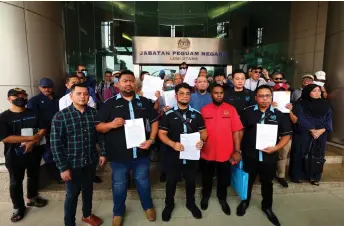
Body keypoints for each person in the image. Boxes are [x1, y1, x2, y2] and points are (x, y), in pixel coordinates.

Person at [95, 70, 159, 226]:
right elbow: (98, 127)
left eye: (131, 80)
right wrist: (111, 124)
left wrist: (151, 139)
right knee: (119, 184)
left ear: (135, 83)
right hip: (119, 155)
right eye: (125, 81)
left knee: (143, 182)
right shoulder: (109, 103)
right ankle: (118, 212)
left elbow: (154, 121)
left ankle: (148, 207)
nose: (129, 83)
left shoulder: (144, 102)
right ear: (118, 84)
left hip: (141, 152)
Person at [236, 85, 292, 226]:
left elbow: (286, 136)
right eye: (261, 96)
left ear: (272, 97)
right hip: (250, 155)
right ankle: (245, 201)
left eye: (267, 96)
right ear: (256, 98)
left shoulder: (279, 115)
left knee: (267, 182)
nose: (265, 99)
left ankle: (267, 207)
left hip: (269, 156)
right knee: (247, 181)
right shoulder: (247, 112)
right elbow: (240, 132)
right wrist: (237, 149)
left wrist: (276, 148)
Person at [50, 83, 105, 226]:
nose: (83, 97)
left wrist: (103, 153)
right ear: (71, 96)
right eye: (79, 94)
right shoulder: (61, 116)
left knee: (88, 190)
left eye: (86, 94)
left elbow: (100, 136)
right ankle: (69, 222)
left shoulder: (94, 114)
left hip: (90, 160)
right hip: (71, 164)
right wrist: (62, 167)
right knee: (72, 194)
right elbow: (55, 144)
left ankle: (87, 215)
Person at [158, 83, 207, 222]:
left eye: (187, 93)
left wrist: (202, 141)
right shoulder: (168, 114)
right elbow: (162, 134)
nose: (185, 96)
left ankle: (190, 203)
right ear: (176, 96)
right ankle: (169, 205)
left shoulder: (197, 115)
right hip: (173, 155)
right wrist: (173, 144)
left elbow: (204, 132)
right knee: (171, 181)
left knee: (191, 181)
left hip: (192, 155)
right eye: (182, 93)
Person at [0, 88, 48, 222]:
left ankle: (32, 197)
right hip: (14, 155)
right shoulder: (4, 117)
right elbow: (5, 138)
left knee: (33, 176)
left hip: (34, 152)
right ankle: (18, 208)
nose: (21, 98)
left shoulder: (34, 113)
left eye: (23, 95)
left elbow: (43, 128)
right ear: (9, 99)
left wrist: (36, 137)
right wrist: (30, 139)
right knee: (16, 182)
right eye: (17, 96)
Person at [200, 84, 243, 215]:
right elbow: (199, 131)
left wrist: (237, 150)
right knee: (206, 177)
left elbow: (237, 131)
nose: (219, 95)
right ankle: (205, 196)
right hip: (207, 152)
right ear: (211, 94)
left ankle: (222, 198)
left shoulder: (231, 109)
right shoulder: (204, 110)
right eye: (215, 93)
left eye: (221, 93)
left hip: (226, 152)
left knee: (224, 178)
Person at [289, 84, 332, 186]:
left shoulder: (326, 104)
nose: (317, 93)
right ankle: (298, 175)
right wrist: (312, 129)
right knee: (300, 153)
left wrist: (322, 130)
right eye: (314, 91)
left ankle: (315, 176)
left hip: (321, 134)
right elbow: (300, 118)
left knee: (317, 155)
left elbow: (329, 118)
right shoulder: (300, 104)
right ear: (308, 92)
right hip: (304, 133)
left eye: (319, 91)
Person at [27, 78, 61, 182]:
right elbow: (32, 118)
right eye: (44, 87)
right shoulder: (34, 100)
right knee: (48, 154)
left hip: (58, 131)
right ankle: (57, 177)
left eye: (49, 87)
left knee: (59, 152)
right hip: (43, 132)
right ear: (40, 87)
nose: (46, 89)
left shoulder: (58, 98)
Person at [270, 72, 293, 188]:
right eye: (277, 92)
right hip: (271, 133)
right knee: (270, 154)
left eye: (282, 91)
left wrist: (291, 110)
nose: (280, 93)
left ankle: (281, 175)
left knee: (283, 156)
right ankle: (269, 174)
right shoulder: (268, 103)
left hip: (286, 133)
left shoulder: (291, 104)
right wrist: (270, 107)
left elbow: (295, 120)